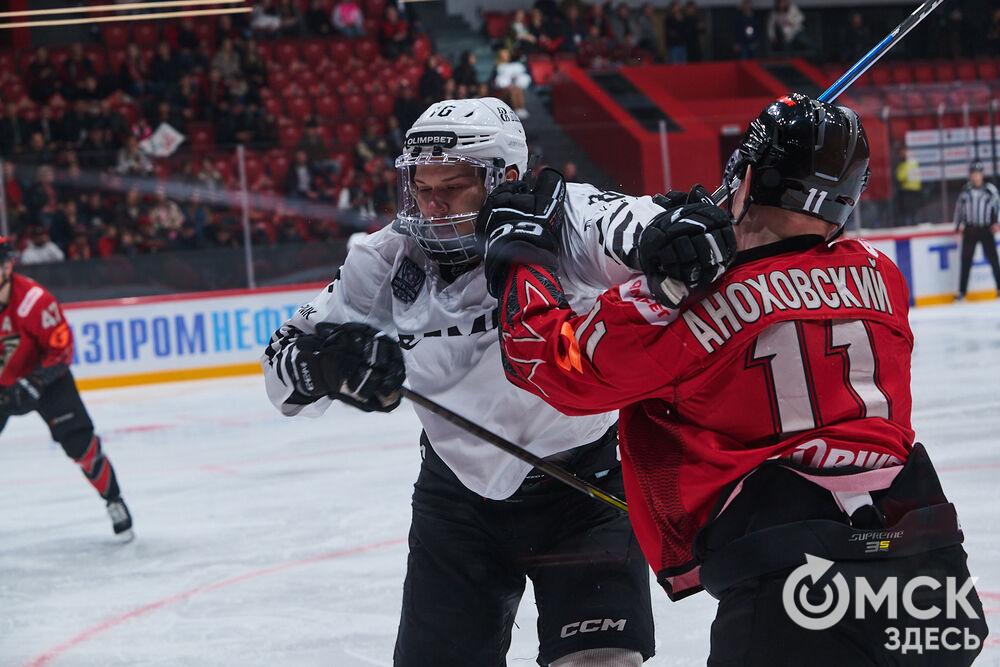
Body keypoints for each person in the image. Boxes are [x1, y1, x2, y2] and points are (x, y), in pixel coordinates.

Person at [488, 93, 988, 665]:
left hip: (799, 589)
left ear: (746, 179)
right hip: (931, 576)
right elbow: (788, 275)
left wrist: (521, 254)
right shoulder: (882, 276)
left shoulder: (688, 305)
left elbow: (551, 365)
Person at [261, 97, 675, 666]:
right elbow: (279, 368)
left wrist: (677, 234)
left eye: (452, 187)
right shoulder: (387, 258)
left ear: (503, 178)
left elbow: (644, 226)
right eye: (421, 188)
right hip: (456, 503)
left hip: (584, 490)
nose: (432, 207)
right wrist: (326, 365)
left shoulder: (565, 219)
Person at [0, 237, 133, 540]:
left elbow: (61, 350)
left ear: (7, 267)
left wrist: (35, 381)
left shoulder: (35, 301)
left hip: (46, 381)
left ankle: (114, 500)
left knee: (81, 446)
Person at [954, 161, 1000, 301]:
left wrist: (997, 223)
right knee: (965, 261)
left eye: (978, 173)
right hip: (970, 229)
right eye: (973, 173)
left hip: (985, 229)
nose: (976, 176)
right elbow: (959, 210)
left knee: (993, 259)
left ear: (982, 174)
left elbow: (998, 206)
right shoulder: (966, 191)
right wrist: (957, 228)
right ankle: (962, 292)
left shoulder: (990, 190)